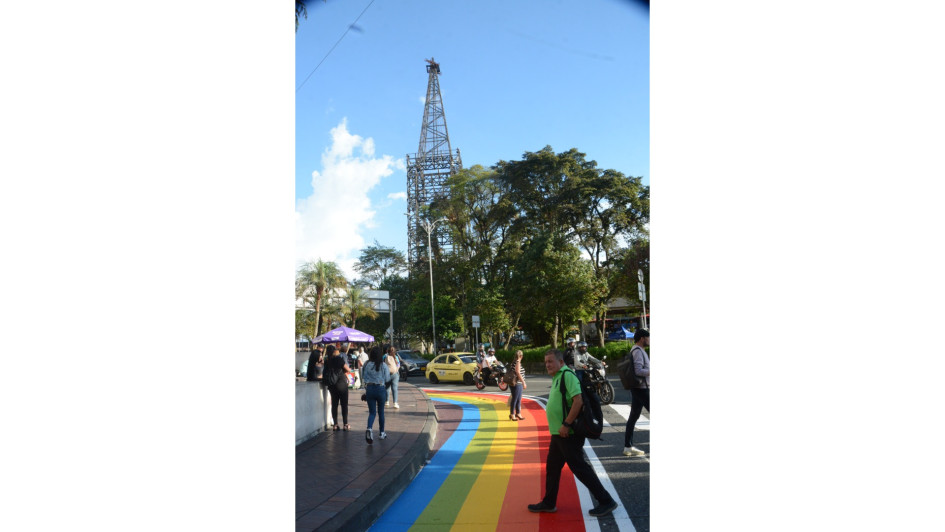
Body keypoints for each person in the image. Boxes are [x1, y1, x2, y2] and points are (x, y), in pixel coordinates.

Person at [527, 349, 618, 517]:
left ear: (561, 362)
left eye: (550, 361)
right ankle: (549, 502)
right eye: (546, 362)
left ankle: (606, 501)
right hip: (559, 433)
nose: (547, 365)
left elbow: (578, 401)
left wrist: (566, 424)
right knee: (553, 468)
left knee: (579, 467)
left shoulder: (567, 375)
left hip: (568, 433)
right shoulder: (557, 376)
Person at [624, 329, 650, 457]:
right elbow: (639, 370)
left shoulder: (637, 350)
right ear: (642, 338)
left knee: (633, 417)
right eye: (648, 337)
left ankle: (628, 447)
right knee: (633, 417)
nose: (649, 340)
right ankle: (627, 447)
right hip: (642, 388)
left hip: (638, 388)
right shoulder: (638, 351)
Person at [362, 345, 391, 444]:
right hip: (381, 388)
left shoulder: (367, 364)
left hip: (370, 389)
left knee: (372, 412)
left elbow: (363, 378)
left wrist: (366, 390)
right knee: (381, 412)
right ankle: (382, 433)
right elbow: (387, 379)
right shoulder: (383, 365)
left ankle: (369, 428)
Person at [324, 344, 352, 431]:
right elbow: (348, 369)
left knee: (334, 405)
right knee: (344, 405)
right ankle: (345, 424)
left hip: (332, 385)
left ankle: (335, 425)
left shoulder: (327, 360)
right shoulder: (338, 359)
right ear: (334, 351)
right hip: (342, 384)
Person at [508, 350, 526, 421]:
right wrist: (523, 382)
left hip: (517, 383)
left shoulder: (514, 362)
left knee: (518, 399)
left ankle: (518, 413)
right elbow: (518, 372)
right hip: (517, 384)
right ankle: (512, 414)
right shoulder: (517, 362)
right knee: (515, 399)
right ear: (521, 356)